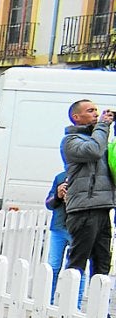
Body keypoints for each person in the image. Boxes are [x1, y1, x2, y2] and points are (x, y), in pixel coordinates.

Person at [60, 99, 114, 278]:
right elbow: (94, 151)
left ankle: (99, 304)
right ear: (76, 117)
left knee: (102, 262)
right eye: (90, 111)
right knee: (78, 261)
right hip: (83, 210)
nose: (96, 115)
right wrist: (103, 126)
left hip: (102, 207)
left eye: (97, 111)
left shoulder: (98, 137)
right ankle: (69, 302)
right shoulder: (70, 141)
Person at [45, 171, 75, 303]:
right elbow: (48, 204)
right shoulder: (60, 177)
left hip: (77, 229)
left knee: (76, 270)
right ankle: (48, 302)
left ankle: (75, 306)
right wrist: (57, 195)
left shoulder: (88, 175)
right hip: (58, 227)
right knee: (53, 267)